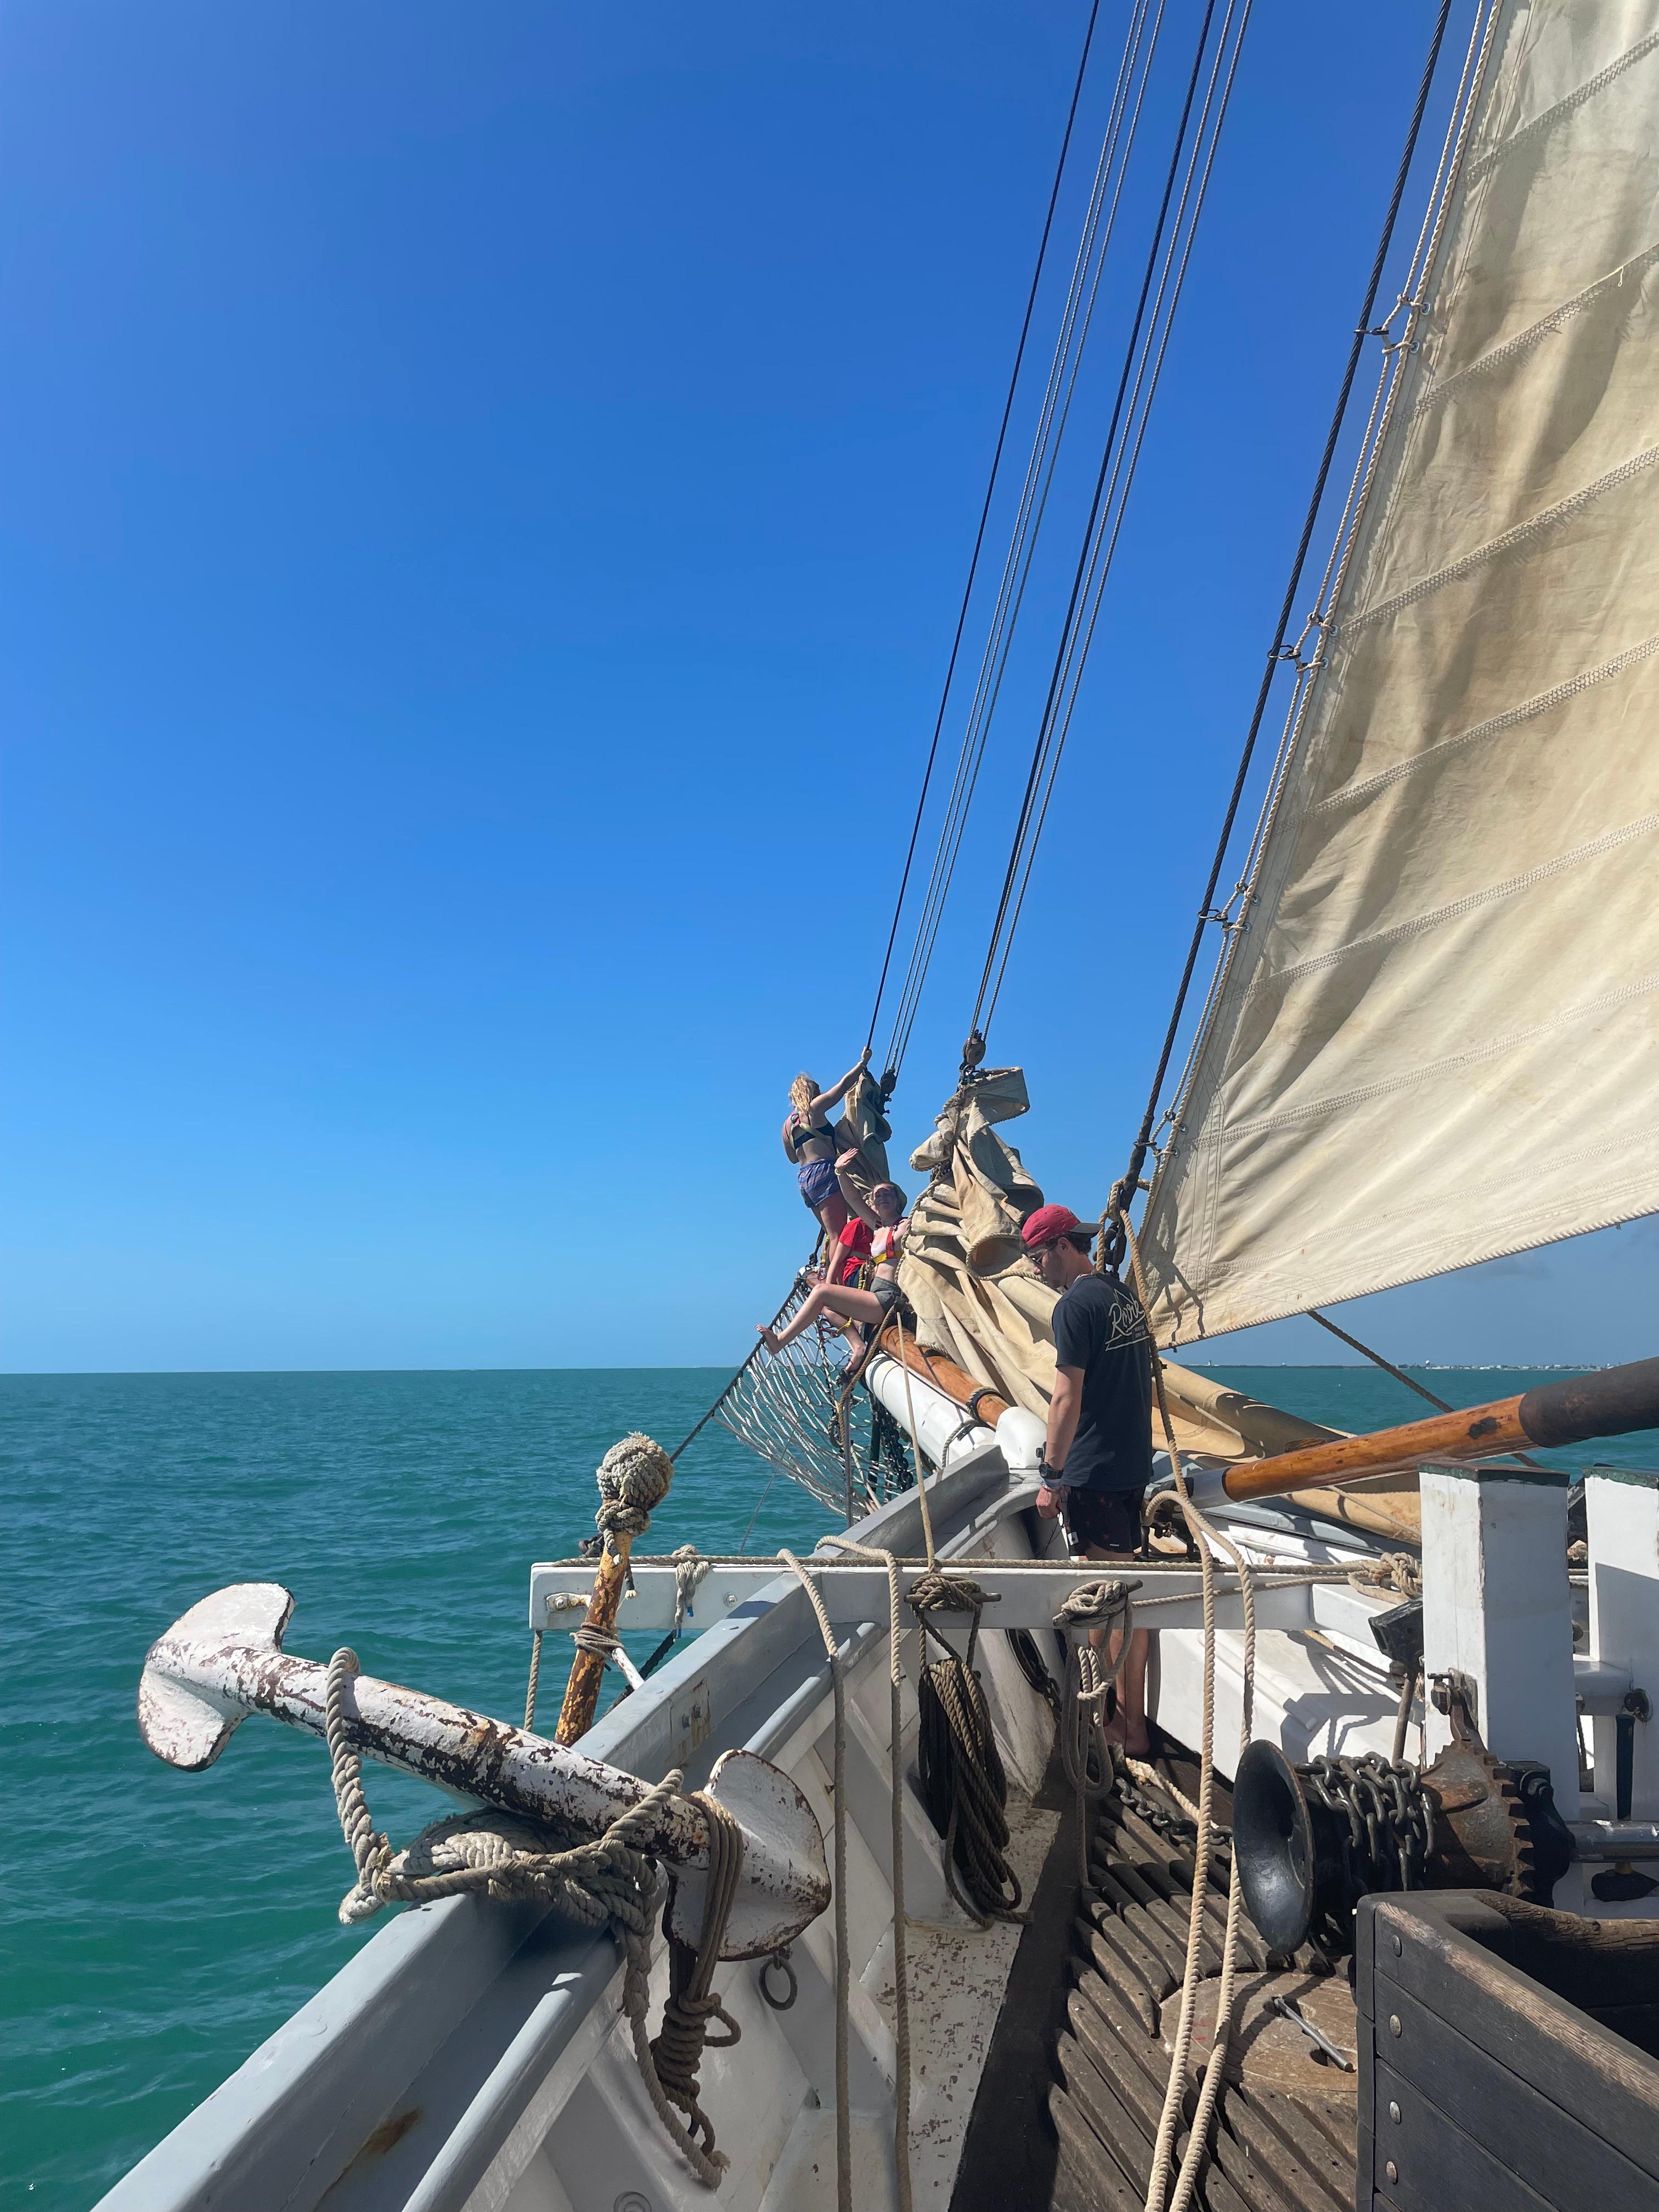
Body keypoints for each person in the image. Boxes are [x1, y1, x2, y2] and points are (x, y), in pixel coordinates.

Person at [1024, 1202, 1154, 1756]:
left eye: (1036, 1257)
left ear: (1061, 1247)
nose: (1035, 1269)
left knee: (1110, 1597)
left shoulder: (1075, 1307)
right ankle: (1126, 1721)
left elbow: (1065, 1397)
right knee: (1124, 1594)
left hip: (1095, 1472)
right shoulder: (1124, 1296)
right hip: (1131, 1466)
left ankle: (1119, 1728)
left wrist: (1051, 1475)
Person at [758, 1165, 909, 1353]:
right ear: (873, 1202)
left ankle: (780, 1340)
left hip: (888, 1297)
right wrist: (840, 1171)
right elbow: (853, 1199)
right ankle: (781, 1341)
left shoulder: (906, 1226)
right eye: (878, 1195)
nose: (882, 1198)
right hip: (875, 1295)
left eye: (888, 1194)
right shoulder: (878, 1228)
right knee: (824, 1295)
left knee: (822, 1292)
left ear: (898, 1200)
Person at [781, 1052, 872, 1259]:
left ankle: (837, 1272)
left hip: (805, 1180)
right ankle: (835, 1283)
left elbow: (793, 1158)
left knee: (835, 1234)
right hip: (824, 1172)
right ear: (813, 1093)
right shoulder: (814, 1108)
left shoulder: (787, 1126)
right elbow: (841, 1087)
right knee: (839, 1234)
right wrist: (862, 1064)